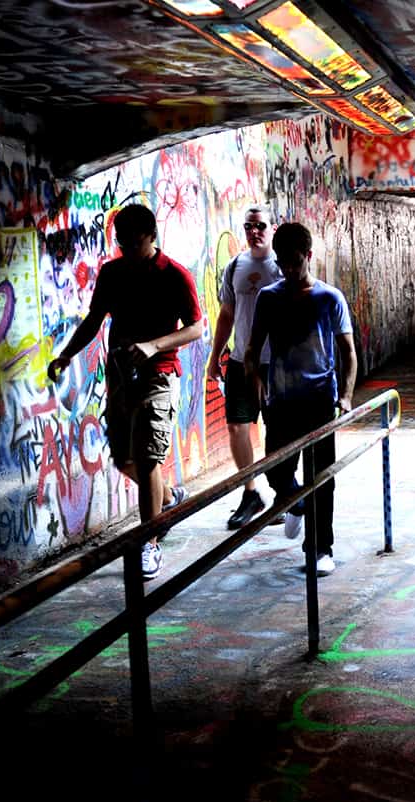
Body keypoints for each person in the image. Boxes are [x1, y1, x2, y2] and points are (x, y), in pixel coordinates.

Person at [47, 204, 204, 578]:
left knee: (149, 458)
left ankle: (149, 542)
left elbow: (197, 328)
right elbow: (94, 320)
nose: (128, 250)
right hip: (119, 375)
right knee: (123, 460)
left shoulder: (174, 275)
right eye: (122, 244)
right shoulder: (112, 273)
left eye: (135, 243)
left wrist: (154, 346)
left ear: (152, 236)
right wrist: (66, 355)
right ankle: (167, 497)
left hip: (159, 375)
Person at [245, 222, 357, 576]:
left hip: (321, 401)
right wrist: (256, 383)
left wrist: (347, 397)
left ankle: (320, 548)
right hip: (280, 401)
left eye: (296, 262)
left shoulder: (329, 298)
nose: (290, 270)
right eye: (283, 264)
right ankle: (295, 503)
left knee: (322, 476)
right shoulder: (270, 298)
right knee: (277, 471)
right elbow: (252, 349)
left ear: (308, 257)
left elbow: (348, 353)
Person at [207, 206, 282, 530]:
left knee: (276, 430)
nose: (255, 231)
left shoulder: (282, 267)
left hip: (274, 363)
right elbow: (226, 315)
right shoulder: (235, 266)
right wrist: (215, 357)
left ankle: (283, 492)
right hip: (240, 361)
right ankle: (250, 492)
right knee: (238, 427)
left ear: (272, 228)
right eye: (249, 226)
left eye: (260, 225)